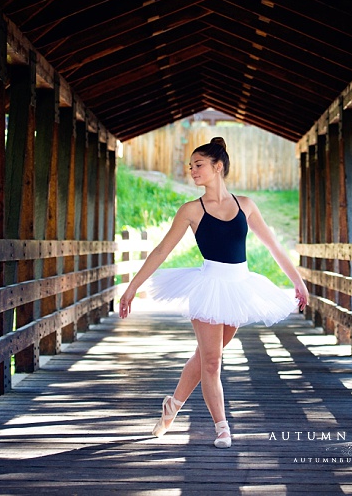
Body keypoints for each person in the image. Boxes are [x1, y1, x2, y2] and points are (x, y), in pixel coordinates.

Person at [118, 137, 309, 448]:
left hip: (239, 288)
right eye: (191, 166)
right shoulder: (191, 210)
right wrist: (132, 288)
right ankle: (223, 427)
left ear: (218, 167)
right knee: (211, 362)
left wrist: (298, 281)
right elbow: (160, 251)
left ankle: (172, 406)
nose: (192, 170)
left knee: (206, 356)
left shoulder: (245, 205)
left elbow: (274, 246)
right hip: (209, 287)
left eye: (199, 165)